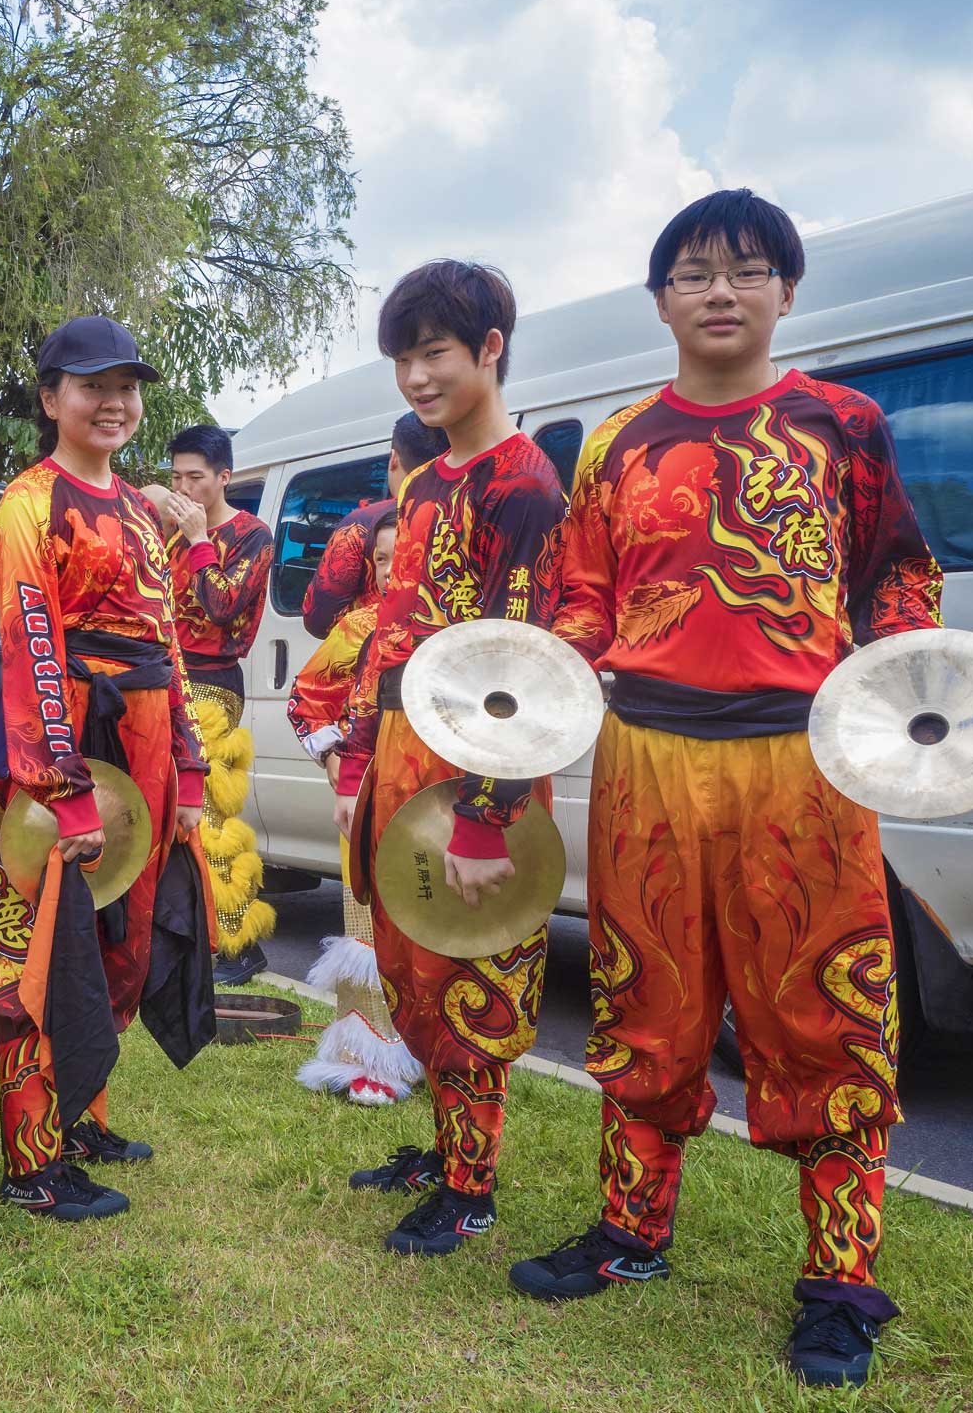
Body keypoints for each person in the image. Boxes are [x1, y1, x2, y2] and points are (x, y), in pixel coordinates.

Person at [508, 190, 942, 1390]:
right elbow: (579, 595)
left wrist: (891, 698)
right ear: (659, 299)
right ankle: (631, 1233)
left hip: (800, 760)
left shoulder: (837, 423)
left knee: (825, 1012)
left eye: (746, 271)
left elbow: (898, 579)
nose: (719, 290)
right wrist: (558, 665)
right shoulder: (615, 442)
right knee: (641, 999)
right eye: (694, 271)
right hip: (644, 757)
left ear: (785, 292)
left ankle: (839, 1280)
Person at [331, 261, 567, 1257]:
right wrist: (355, 759)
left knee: (468, 968)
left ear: (488, 350)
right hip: (394, 746)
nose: (416, 378)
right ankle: (441, 1149)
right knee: (404, 963)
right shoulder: (422, 480)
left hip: (476, 762)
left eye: (433, 353)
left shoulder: (525, 487)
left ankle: (470, 1187)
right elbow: (389, 632)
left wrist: (485, 811)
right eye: (401, 358)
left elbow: (523, 667)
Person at [0, 314, 216, 1222]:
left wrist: (187, 774)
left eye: (127, 388)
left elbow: (172, 646)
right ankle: (31, 1163)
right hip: (70, 736)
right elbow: (29, 645)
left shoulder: (141, 515)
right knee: (43, 940)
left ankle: (85, 1116)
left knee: (123, 934)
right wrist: (60, 790)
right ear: (52, 401)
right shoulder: (30, 504)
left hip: (148, 738)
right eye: (91, 386)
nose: (112, 402)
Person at [287, 514, 422, 1106]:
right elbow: (307, 699)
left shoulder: (452, 624)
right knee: (366, 929)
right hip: (367, 797)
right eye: (384, 559)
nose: (393, 570)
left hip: (434, 799)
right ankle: (363, 1059)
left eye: (405, 557)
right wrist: (340, 764)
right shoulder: (362, 624)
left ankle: (426, 1055)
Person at [159, 424, 275, 984]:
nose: (183, 488)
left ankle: (239, 943)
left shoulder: (252, 535)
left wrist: (199, 537)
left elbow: (222, 604)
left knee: (208, 814)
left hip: (212, 680)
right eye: (176, 477)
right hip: (167, 678)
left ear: (224, 477)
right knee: (171, 814)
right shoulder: (169, 532)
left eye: (195, 478)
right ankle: (195, 937)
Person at [299, 412, 448, 640]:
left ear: (393, 459)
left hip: (376, 660)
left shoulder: (359, 525)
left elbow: (318, 620)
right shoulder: (463, 516)